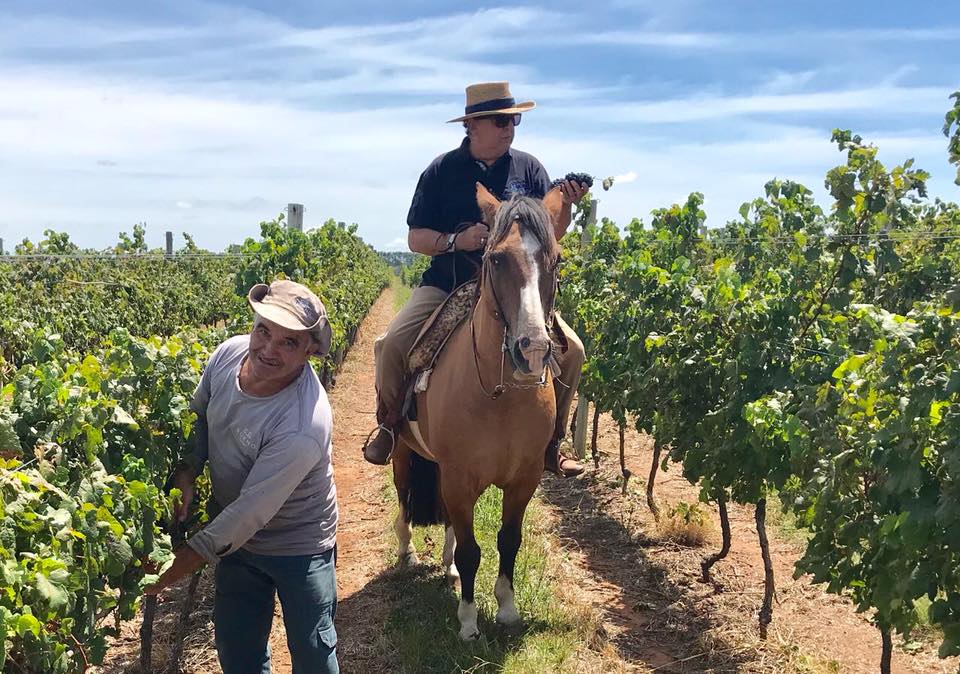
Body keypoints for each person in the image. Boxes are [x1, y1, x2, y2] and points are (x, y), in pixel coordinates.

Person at [363, 81, 587, 477]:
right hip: (448, 284)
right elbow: (416, 237)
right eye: (500, 120)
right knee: (392, 344)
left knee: (573, 351)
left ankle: (553, 442)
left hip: (514, 290)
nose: (509, 127)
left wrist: (565, 205)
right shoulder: (441, 171)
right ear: (472, 126)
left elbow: (550, 237)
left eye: (513, 119)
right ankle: (389, 425)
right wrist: (455, 240)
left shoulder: (530, 169)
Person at [144, 279, 340, 674]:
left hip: (297, 543)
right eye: (263, 330)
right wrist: (187, 470)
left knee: (313, 653)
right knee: (238, 650)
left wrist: (172, 570)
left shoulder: (303, 424)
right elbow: (198, 415)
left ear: (310, 351)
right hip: (234, 539)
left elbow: (249, 514)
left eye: (289, 342)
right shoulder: (228, 354)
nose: (269, 349)